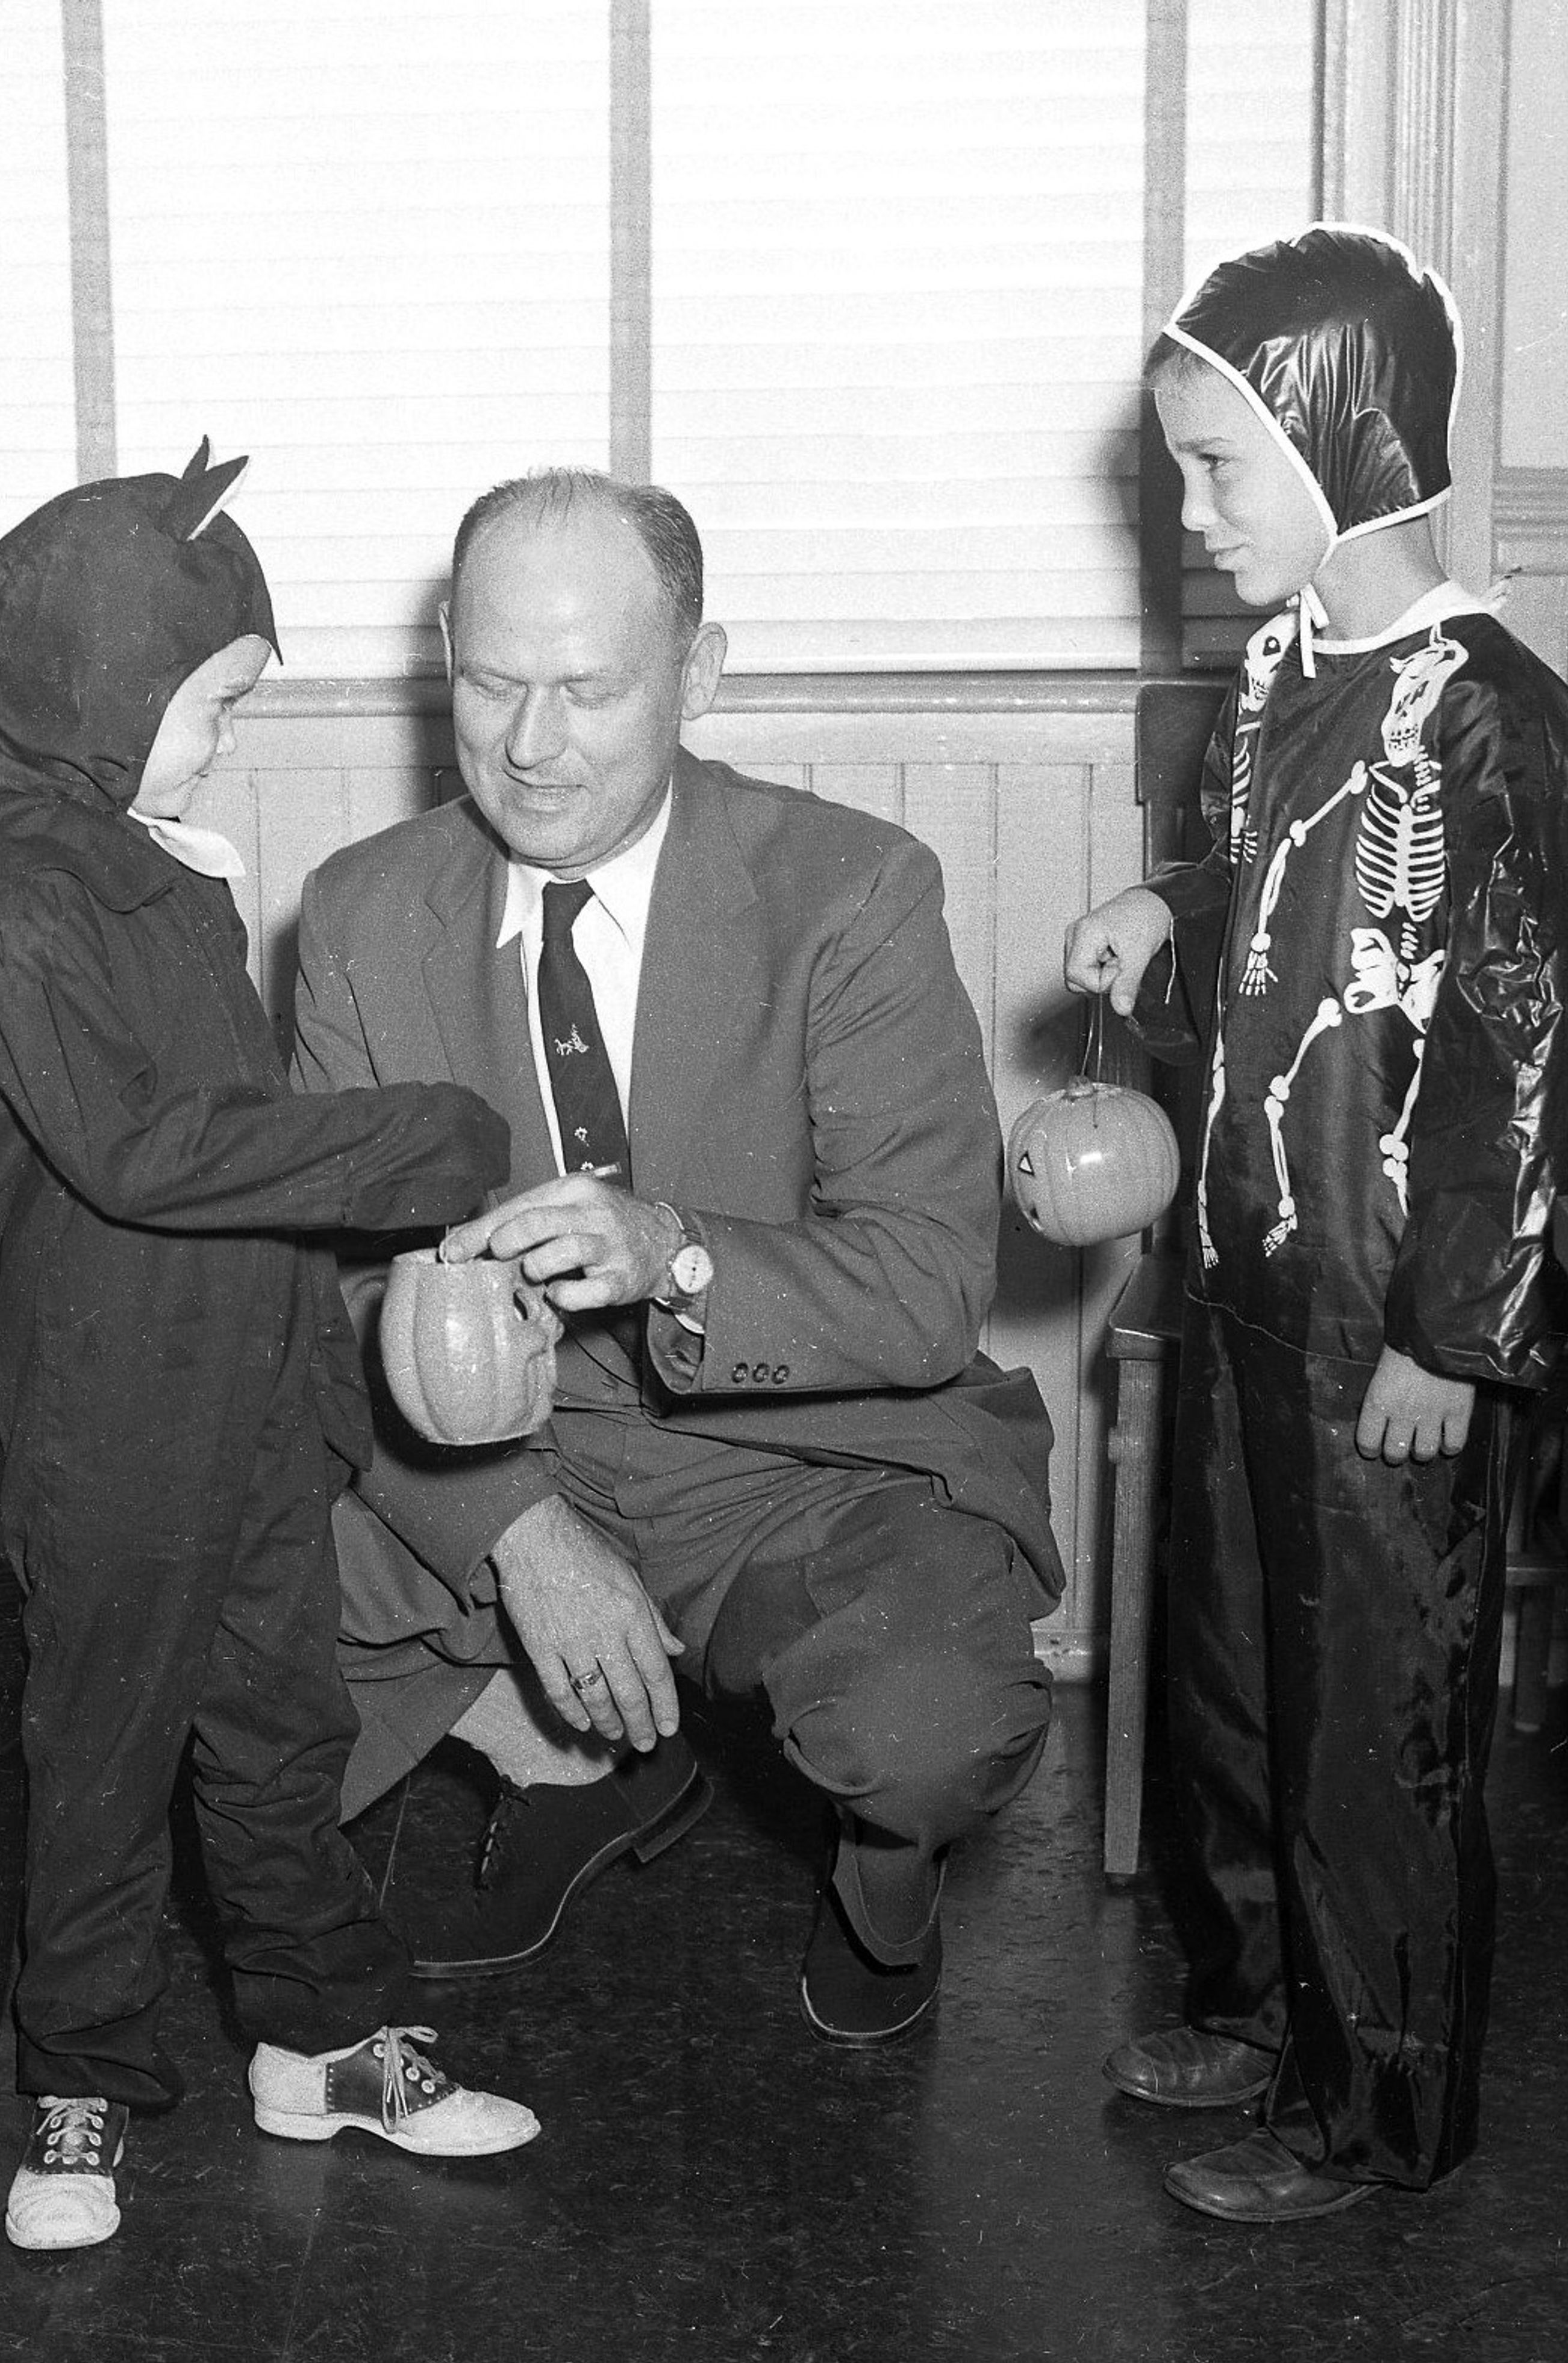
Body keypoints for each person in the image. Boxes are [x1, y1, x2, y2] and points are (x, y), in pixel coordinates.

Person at [0, 453, 540, 2257]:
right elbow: (144, 1150)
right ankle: (72, 2073)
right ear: (99, 690)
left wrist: (329, 1345)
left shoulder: (157, 866)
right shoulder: (18, 898)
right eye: (216, 701)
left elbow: (232, 1144)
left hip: (244, 1389)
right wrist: (420, 1141)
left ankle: (315, 2034)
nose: (229, 737)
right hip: (106, 1417)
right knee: (102, 1751)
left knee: (280, 1732)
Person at [292, 468, 1063, 2044]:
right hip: (495, 1451)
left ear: (700, 674)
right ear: (444, 653)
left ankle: (882, 1887)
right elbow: (337, 1295)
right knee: (170, 1610)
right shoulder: (364, 919)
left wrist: (675, 1256)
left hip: (800, 1462)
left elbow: (926, 1283)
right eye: (493, 681)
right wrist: (513, 1535)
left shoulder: (852, 891)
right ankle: (564, 1754)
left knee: (924, 1726)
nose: (529, 742)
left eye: (589, 688)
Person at [1066, 225, 1568, 2224]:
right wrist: (1178, 907)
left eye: (1220, 468)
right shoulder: (1281, 682)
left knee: (1370, 1711)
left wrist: (1458, 1332)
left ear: (1348, 443)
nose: (1188, 511)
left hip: (1386, 1311)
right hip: (1247, 1256)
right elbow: (1306, 908)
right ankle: (1251, 2004)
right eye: (1176, 469)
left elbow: (1535, 1040)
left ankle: (1378, 2098)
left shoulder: (1492, 718)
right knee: (1232, 1675)